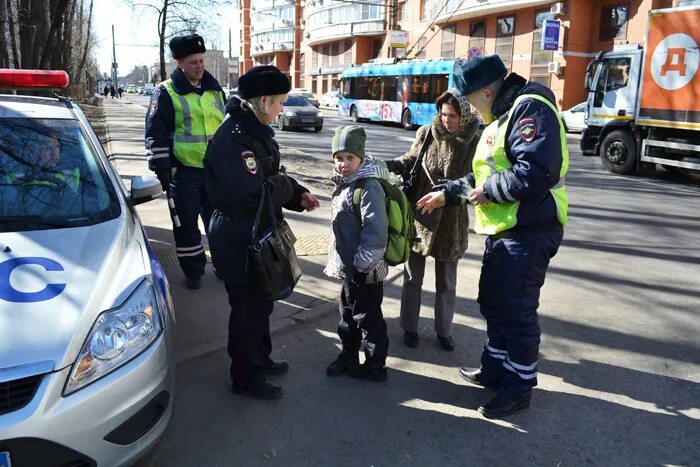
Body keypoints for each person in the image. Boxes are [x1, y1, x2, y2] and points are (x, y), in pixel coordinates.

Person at [417, 55, 568, 419]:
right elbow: (480, 176)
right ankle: (494, 368)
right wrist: (448, 193)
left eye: (469, 98)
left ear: (487, 90)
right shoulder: (499, 118)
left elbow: (535, 171)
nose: (467, 106)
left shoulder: (530, 108)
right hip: (505, 231)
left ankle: (517, 389)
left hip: (529, 230)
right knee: (494, 303)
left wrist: (489, 191)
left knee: (516, 312)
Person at [204, 65, 320, 400]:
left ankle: (261, 359)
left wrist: (297, 194)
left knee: (261, 304)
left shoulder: (254, 132)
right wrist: (285, 186)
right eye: (280, 101)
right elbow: (252, 194)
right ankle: (246, 377)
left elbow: (272, 175)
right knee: (246, 311)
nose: (283, 107)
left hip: (254, 234)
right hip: (238, 239)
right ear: (263, 101)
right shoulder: (235, 138)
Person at [384, 90, 480, 351]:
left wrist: (450, 195)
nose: (446, 120)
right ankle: (409, 327)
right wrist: (390, 165)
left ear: (465, 115)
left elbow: (477, 179)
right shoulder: (427, 132)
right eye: (443, 114)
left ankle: (444, 331)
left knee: (446, 282)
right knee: (413, 277)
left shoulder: (475, 139)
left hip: (451, 220)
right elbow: (412, 160)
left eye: (453, 116)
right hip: (421, 214)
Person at [145, 33, 227, 289]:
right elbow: (155, 132)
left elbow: (227, 127)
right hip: (184, 173)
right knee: (187, 226)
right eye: (194, 62)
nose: (199, 65)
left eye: (201, 60)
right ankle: (194, 272)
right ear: (180, 63)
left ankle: (224, 267)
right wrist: (162, 168)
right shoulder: (166, 91)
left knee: (220, 224)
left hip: (215, 173)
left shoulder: (215, 90)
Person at [324, 125, 391, 382]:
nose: (343, 163)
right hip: (350, 267)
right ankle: (348, 354)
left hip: (366, 269)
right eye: (338, 158)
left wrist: (362, 266)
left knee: (368, 317)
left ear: (361, 157)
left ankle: (375, 365)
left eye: (349, 158)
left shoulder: (368, 186)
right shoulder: (346, 183)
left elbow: (376, 232)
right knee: (347, 314)